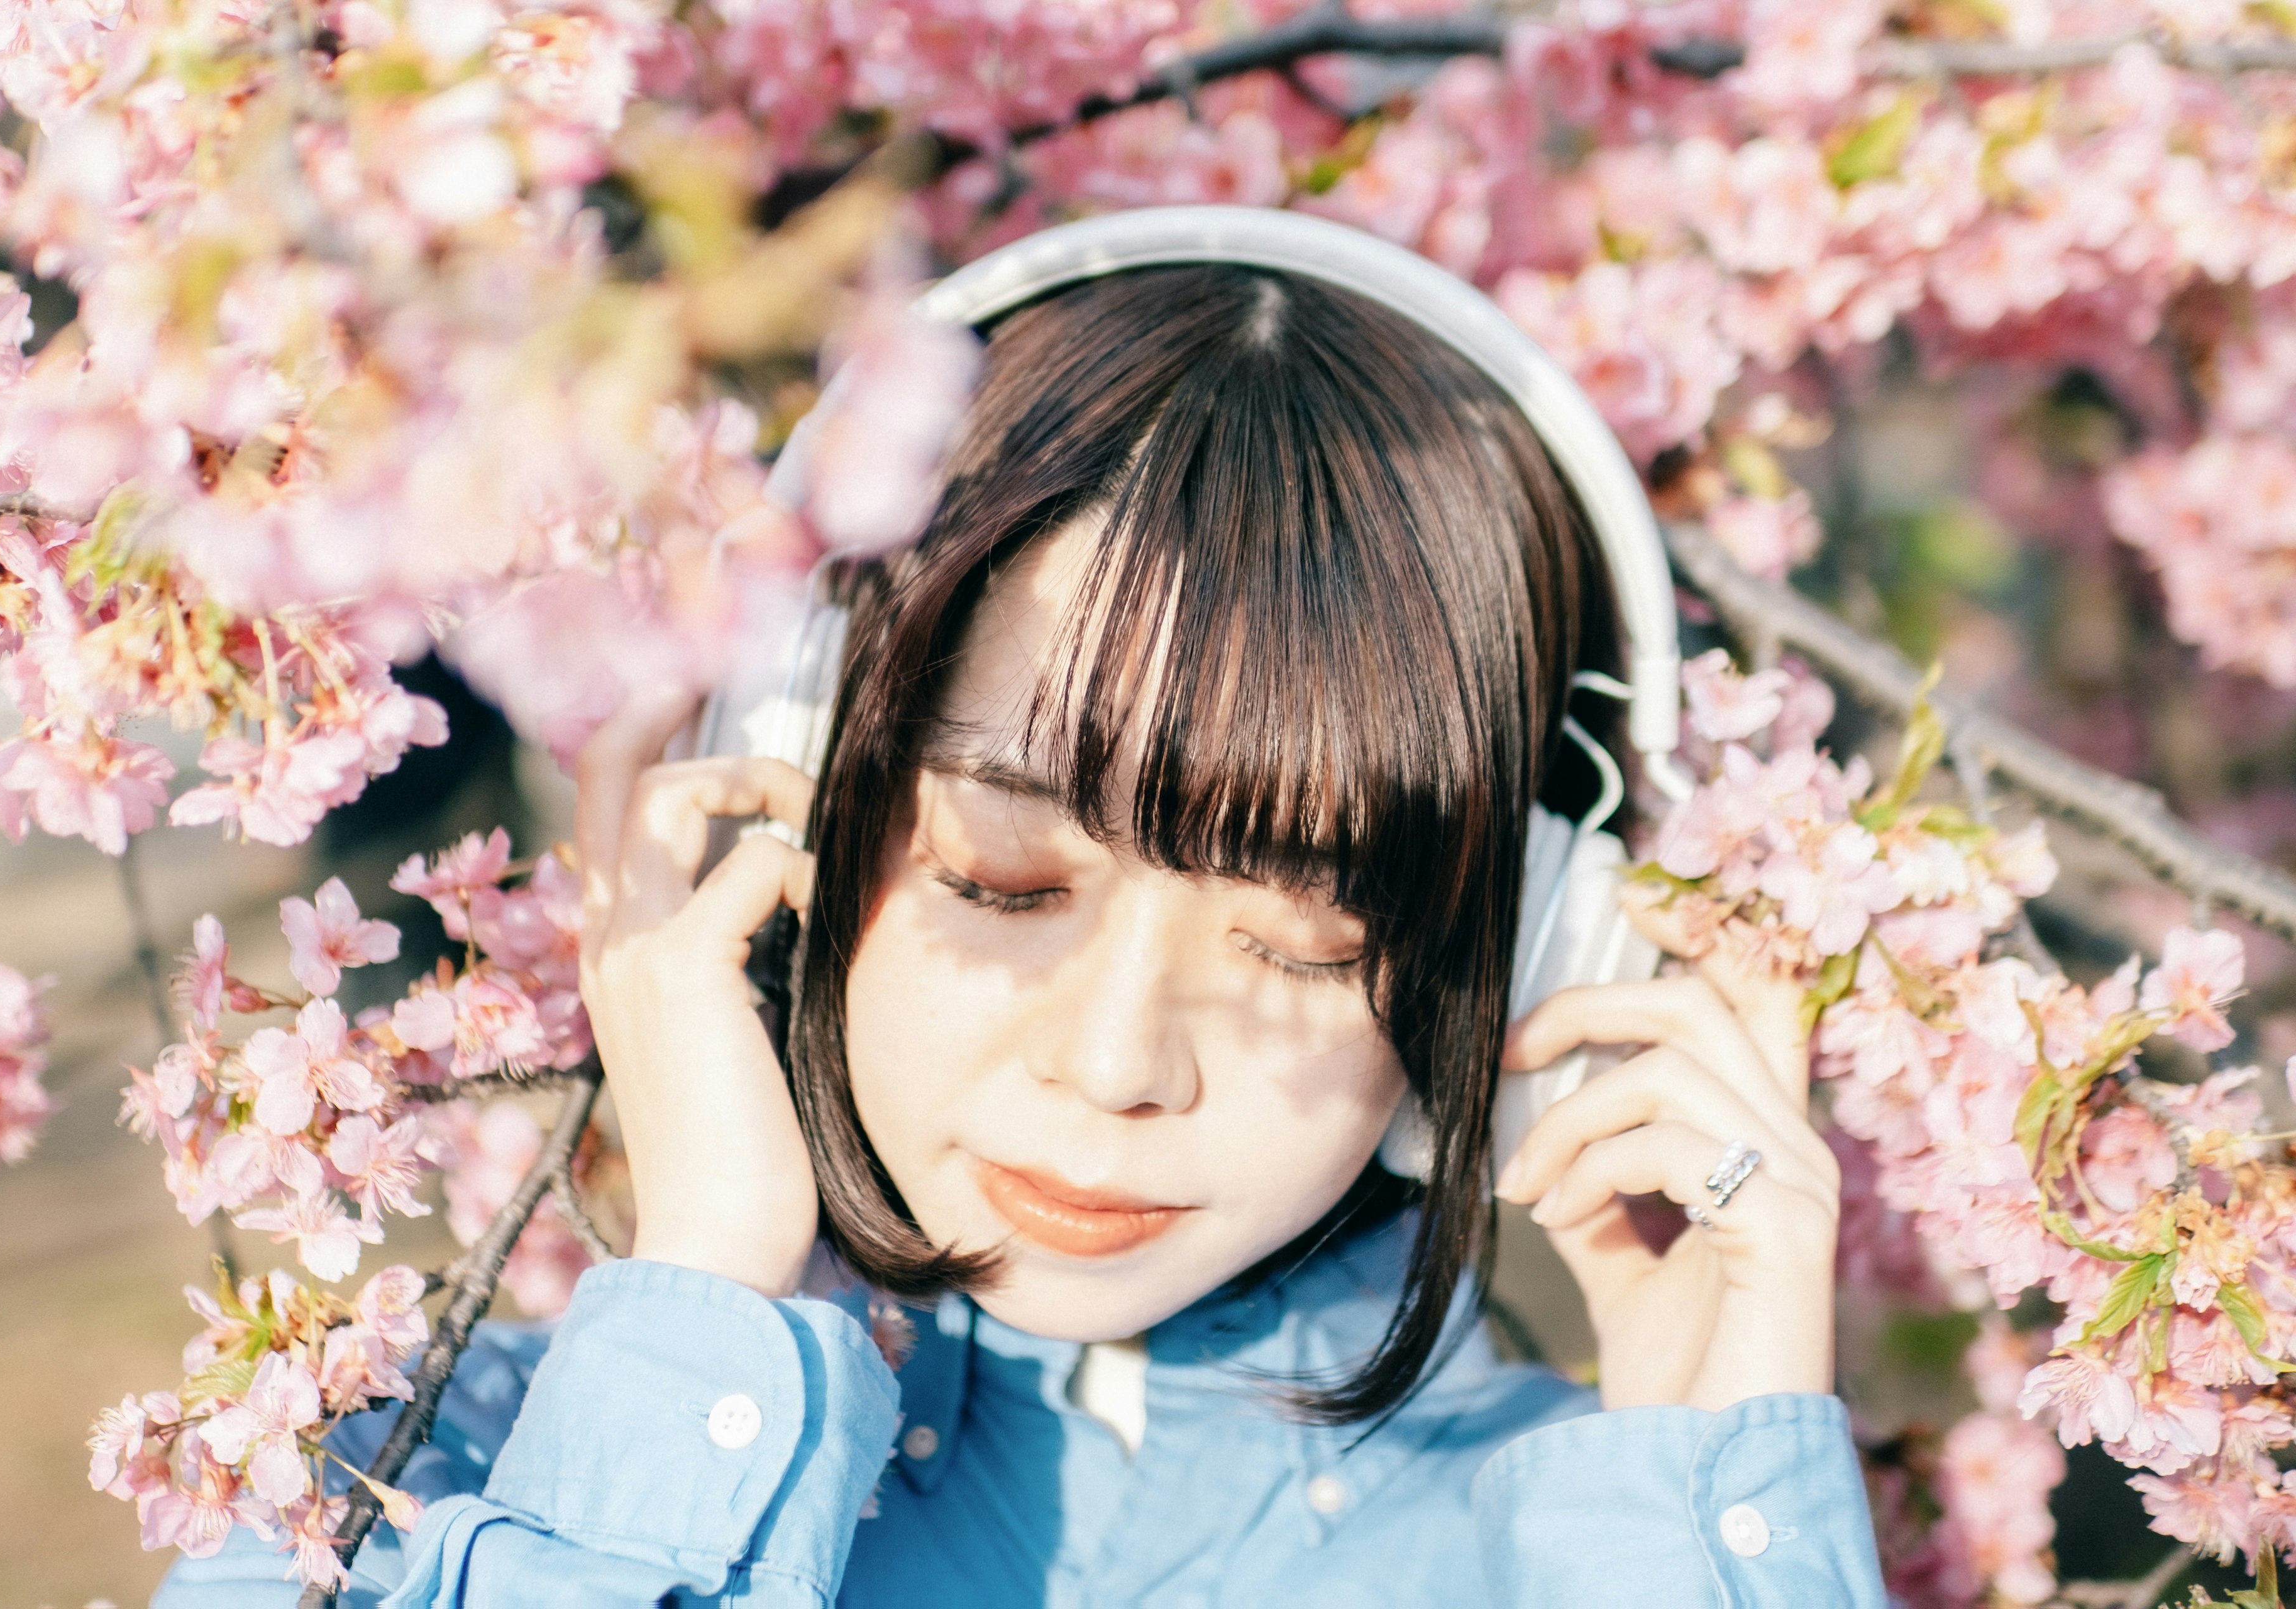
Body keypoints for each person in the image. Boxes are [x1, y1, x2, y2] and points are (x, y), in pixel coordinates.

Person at [157, 245, 1885, 1607]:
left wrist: (1697, 1492)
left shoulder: (1594, 1553)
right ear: (788, 785)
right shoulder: (376, 1491)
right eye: (1004, 883)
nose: (1115, 1063)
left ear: (1529, 942)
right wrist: (704, 1292)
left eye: (1303, 945)